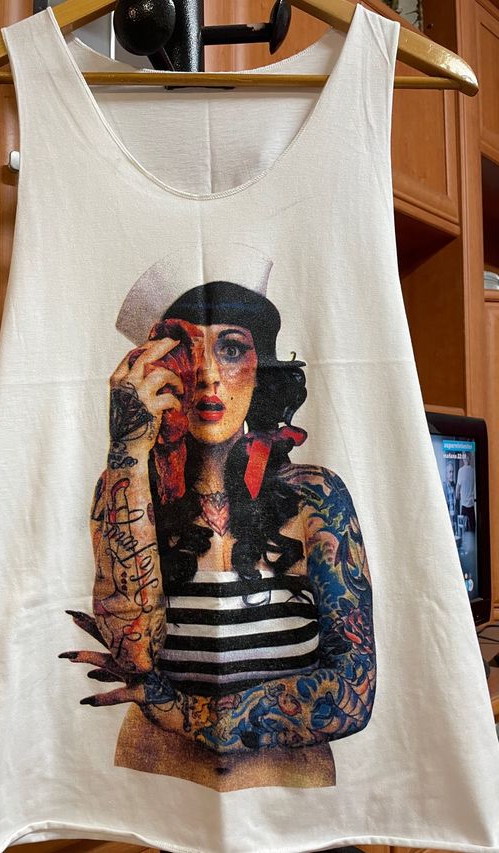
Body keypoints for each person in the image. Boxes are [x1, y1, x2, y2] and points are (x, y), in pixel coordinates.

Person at [60, 256, 376, 791]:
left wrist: (190, 714)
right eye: (185, 351)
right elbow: (134, 654)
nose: (208, 373)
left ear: (261, 368)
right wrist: (128, 449)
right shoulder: (125, 487)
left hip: (291, 804)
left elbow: (355, 686)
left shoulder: (316, 497)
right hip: (161, 796)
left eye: (230, 349)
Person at [456, 451, 476, 534]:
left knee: (463, 530)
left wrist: (457, 497)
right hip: (471, 503)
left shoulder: (461, 471)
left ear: (464, 458)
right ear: (469, 458)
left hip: (464, 504)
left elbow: (458, 487)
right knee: (473, 529)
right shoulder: (473, 471)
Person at [443, 461, 458, 534]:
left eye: (452, 472)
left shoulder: (454, 486)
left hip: (453, 519)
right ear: (446, 474)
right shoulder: (444, 487)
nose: (452, 474)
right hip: (447, 520)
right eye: (450, 472)